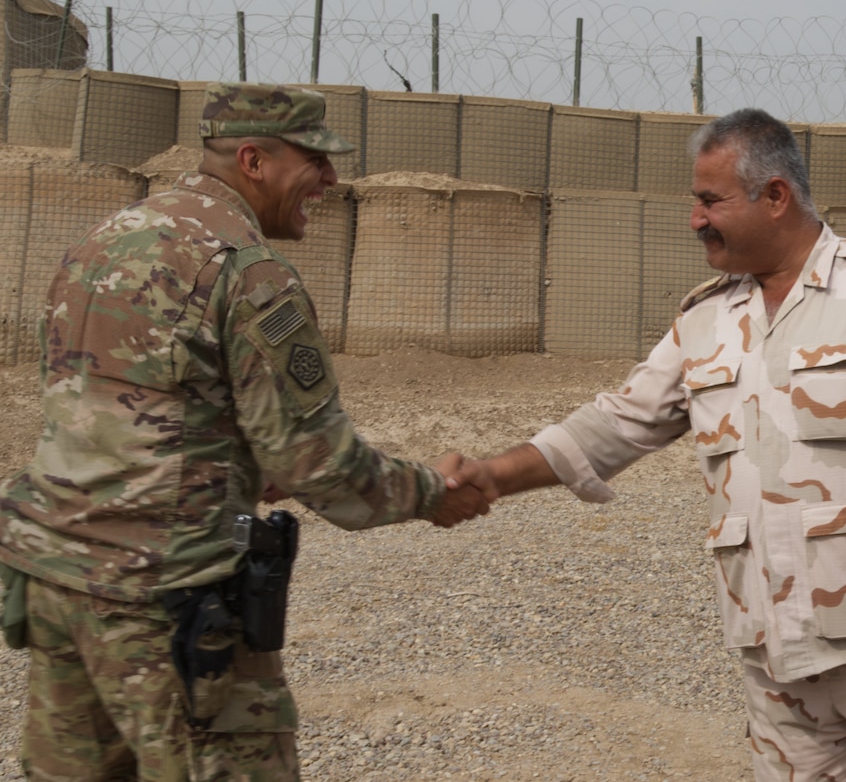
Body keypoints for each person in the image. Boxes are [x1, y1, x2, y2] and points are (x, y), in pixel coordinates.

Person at [448, 108, 846, 780]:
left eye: (707, 201)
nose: (694, 218)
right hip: (782, 655)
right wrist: (493, 475)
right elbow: (616, 423)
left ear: (775, 196)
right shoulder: (707, 319)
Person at [0, 81, 489, 781]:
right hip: (163, 600)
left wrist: (238, 464)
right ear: (255, 161)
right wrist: (433, 491)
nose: (330, 178)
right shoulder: (248, 272)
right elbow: (321, 465)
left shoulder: (104, 240)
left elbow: (116, 410)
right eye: (314, 159)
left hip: (52, 577)